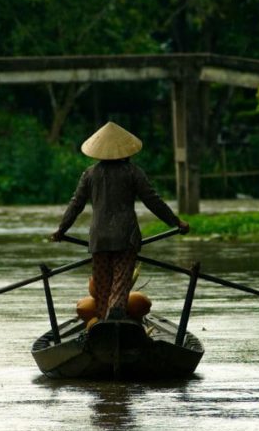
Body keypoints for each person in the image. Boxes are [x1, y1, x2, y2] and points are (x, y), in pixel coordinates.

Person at [51, 121, 189, 321]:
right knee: (121, 282)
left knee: (102, 288)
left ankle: (103, 322)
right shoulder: (133, 172)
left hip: (99, 239)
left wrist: (61, 230)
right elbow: (152, 201)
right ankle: (116, 312)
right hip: (126, 238)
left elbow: (76, 204)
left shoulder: (90, 174)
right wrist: (176, 222)